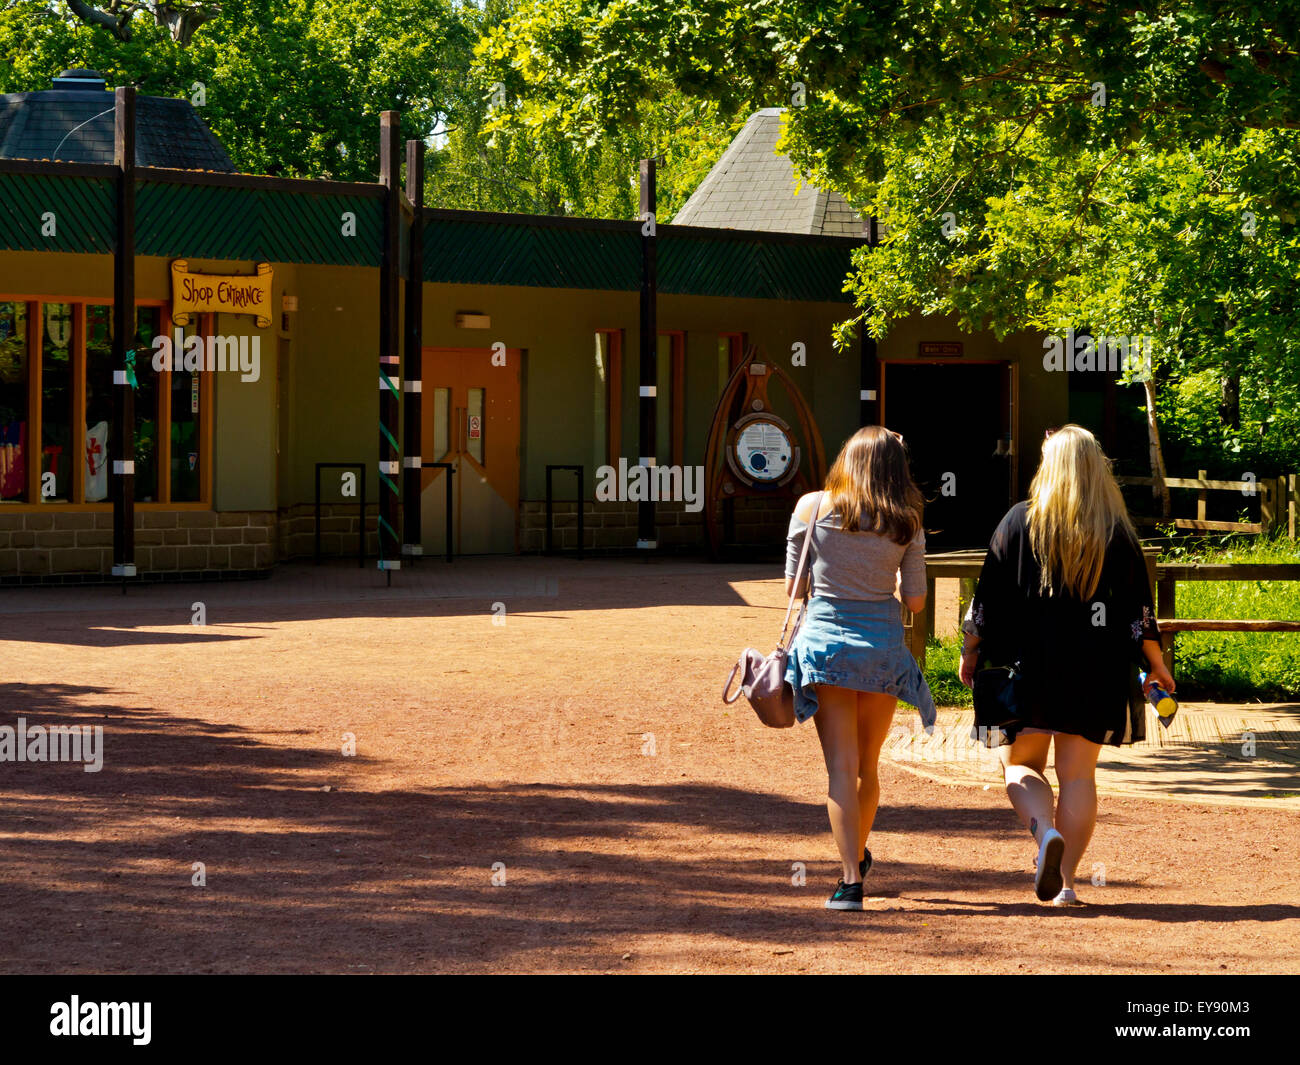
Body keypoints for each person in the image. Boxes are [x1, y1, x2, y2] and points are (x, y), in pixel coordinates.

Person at [958, 425, 1176, 906]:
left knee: (1020, 766)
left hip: (1025, 671)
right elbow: (1140, 613)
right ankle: (1069, 885)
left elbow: (986, 600)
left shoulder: (1017, 522)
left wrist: (970, 650)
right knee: (1078, 777)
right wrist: (1156, 665)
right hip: (1097, 673)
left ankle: (1044, 838)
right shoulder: (1118, 534)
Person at [784, 425, 936, 911]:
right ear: (897, 469)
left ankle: (850, 880)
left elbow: (794, 590)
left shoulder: (811, 507)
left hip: (826, 648)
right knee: (867, 768)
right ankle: (857, 855)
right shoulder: (908, 519)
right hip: (882, 650)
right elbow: (914, 599)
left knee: (839, 770)